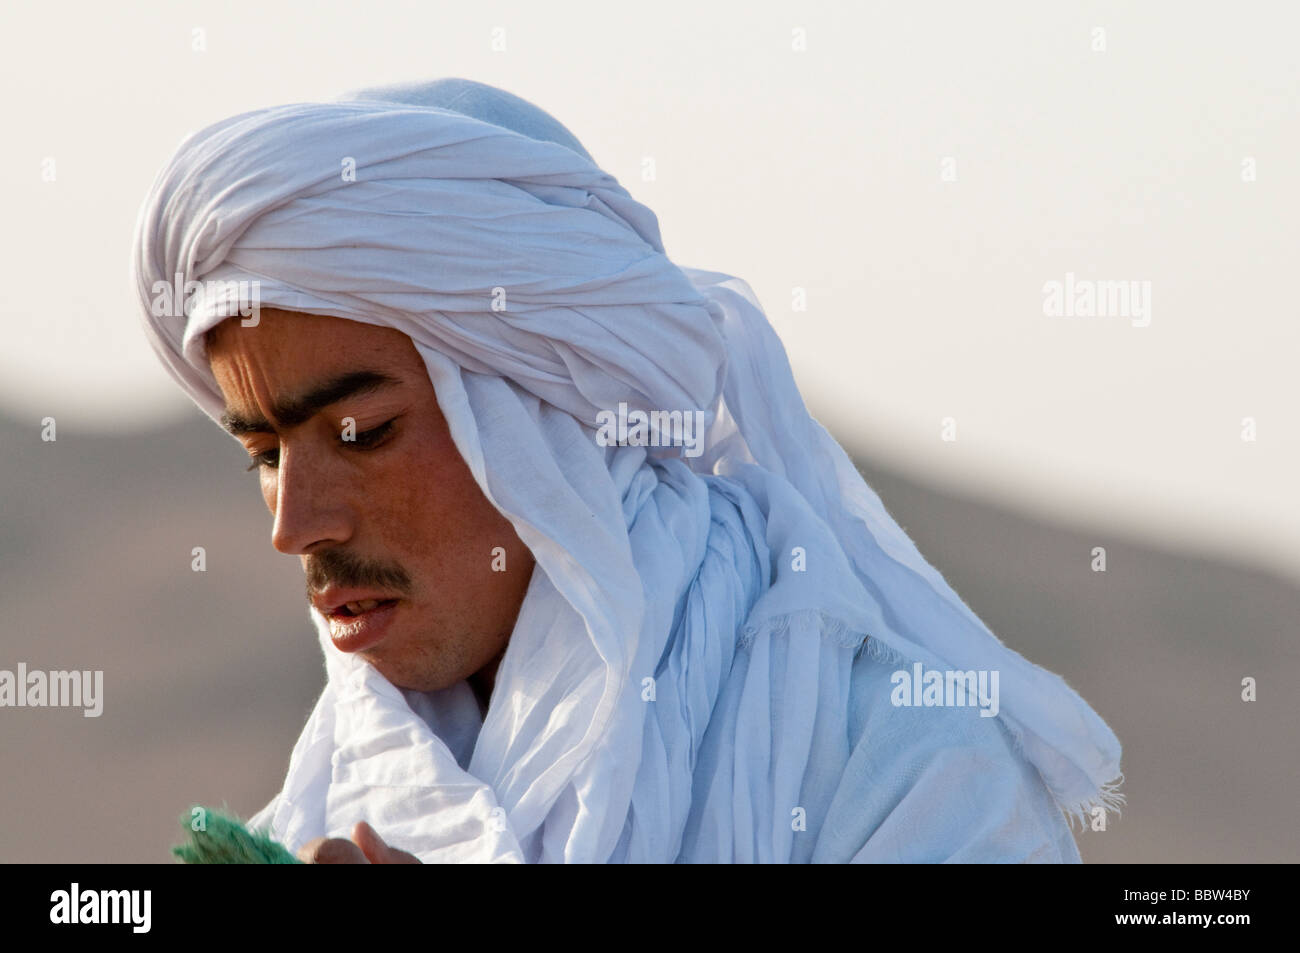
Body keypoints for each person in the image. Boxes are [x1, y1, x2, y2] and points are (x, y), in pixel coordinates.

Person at [131, 77, 1122, 863]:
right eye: (264, 454)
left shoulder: (895, 758)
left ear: (550, 417)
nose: (295, 524)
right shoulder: (324, 808)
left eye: (361, 432)